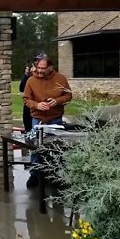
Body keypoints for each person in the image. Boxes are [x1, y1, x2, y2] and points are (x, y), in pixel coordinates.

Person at [23, 55, 73, 188]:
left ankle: (55, 173)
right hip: (38, 119)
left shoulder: (60, 79)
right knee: (35, 147)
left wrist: (57, 101)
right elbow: (26, 99)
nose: (39, 70)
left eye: (43, 68)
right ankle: (34, 174)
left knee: (56, 146)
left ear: (50, 67)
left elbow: (69, 95)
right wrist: (37, 105)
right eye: (38, 67)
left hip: (55, 117)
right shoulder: (31, 81)